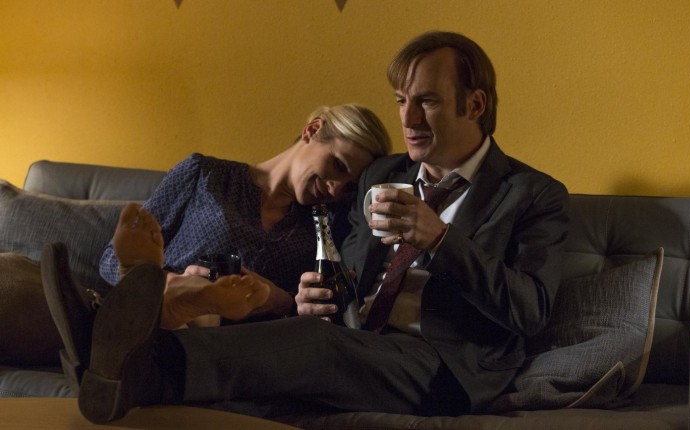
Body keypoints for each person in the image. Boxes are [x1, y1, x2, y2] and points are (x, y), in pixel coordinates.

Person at [44, 30, 570, 423]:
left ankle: (128, 364)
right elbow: (340, 264)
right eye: (401, 100)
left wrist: (440, 239)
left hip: (443, 364)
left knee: (313, 346)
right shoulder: (381, 174)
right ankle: (111, 351)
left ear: (474, 105)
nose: (408, 119)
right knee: (299, 344)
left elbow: (532, 310)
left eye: (427, 101)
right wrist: (314, 296)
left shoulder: (532, 194)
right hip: (355, 338)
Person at [97, 104, 391, 328]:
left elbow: (317, 306)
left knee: (208, 317)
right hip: (159, 306)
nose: (336, 188)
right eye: (338, 165)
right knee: (174, 295)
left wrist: (282, 300)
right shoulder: (205, 174)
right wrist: (174, 280)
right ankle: (174, 295)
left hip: (239, 338)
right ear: (312, 131)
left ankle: (186, 305)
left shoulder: (327, 224)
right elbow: (110, 261)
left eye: (349, 187)